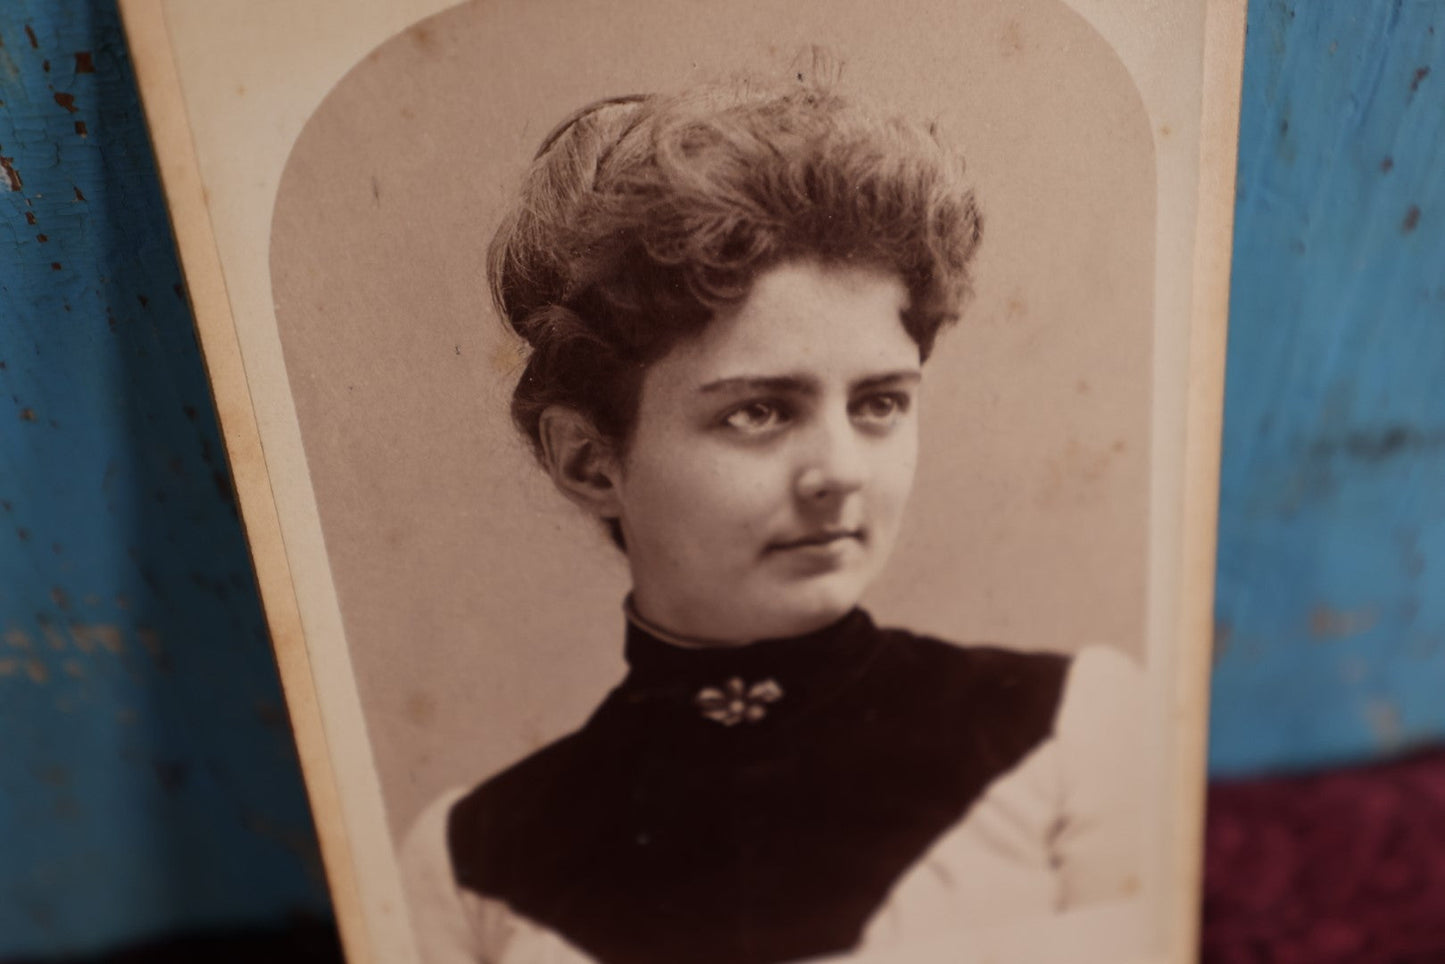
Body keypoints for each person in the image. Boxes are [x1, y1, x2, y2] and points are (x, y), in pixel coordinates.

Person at [400, 73, 1143, 964]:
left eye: (877, 404)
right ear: (589, 460)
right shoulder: (470, 864)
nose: (837, 472)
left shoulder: (1071, 740)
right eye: (757, 412)